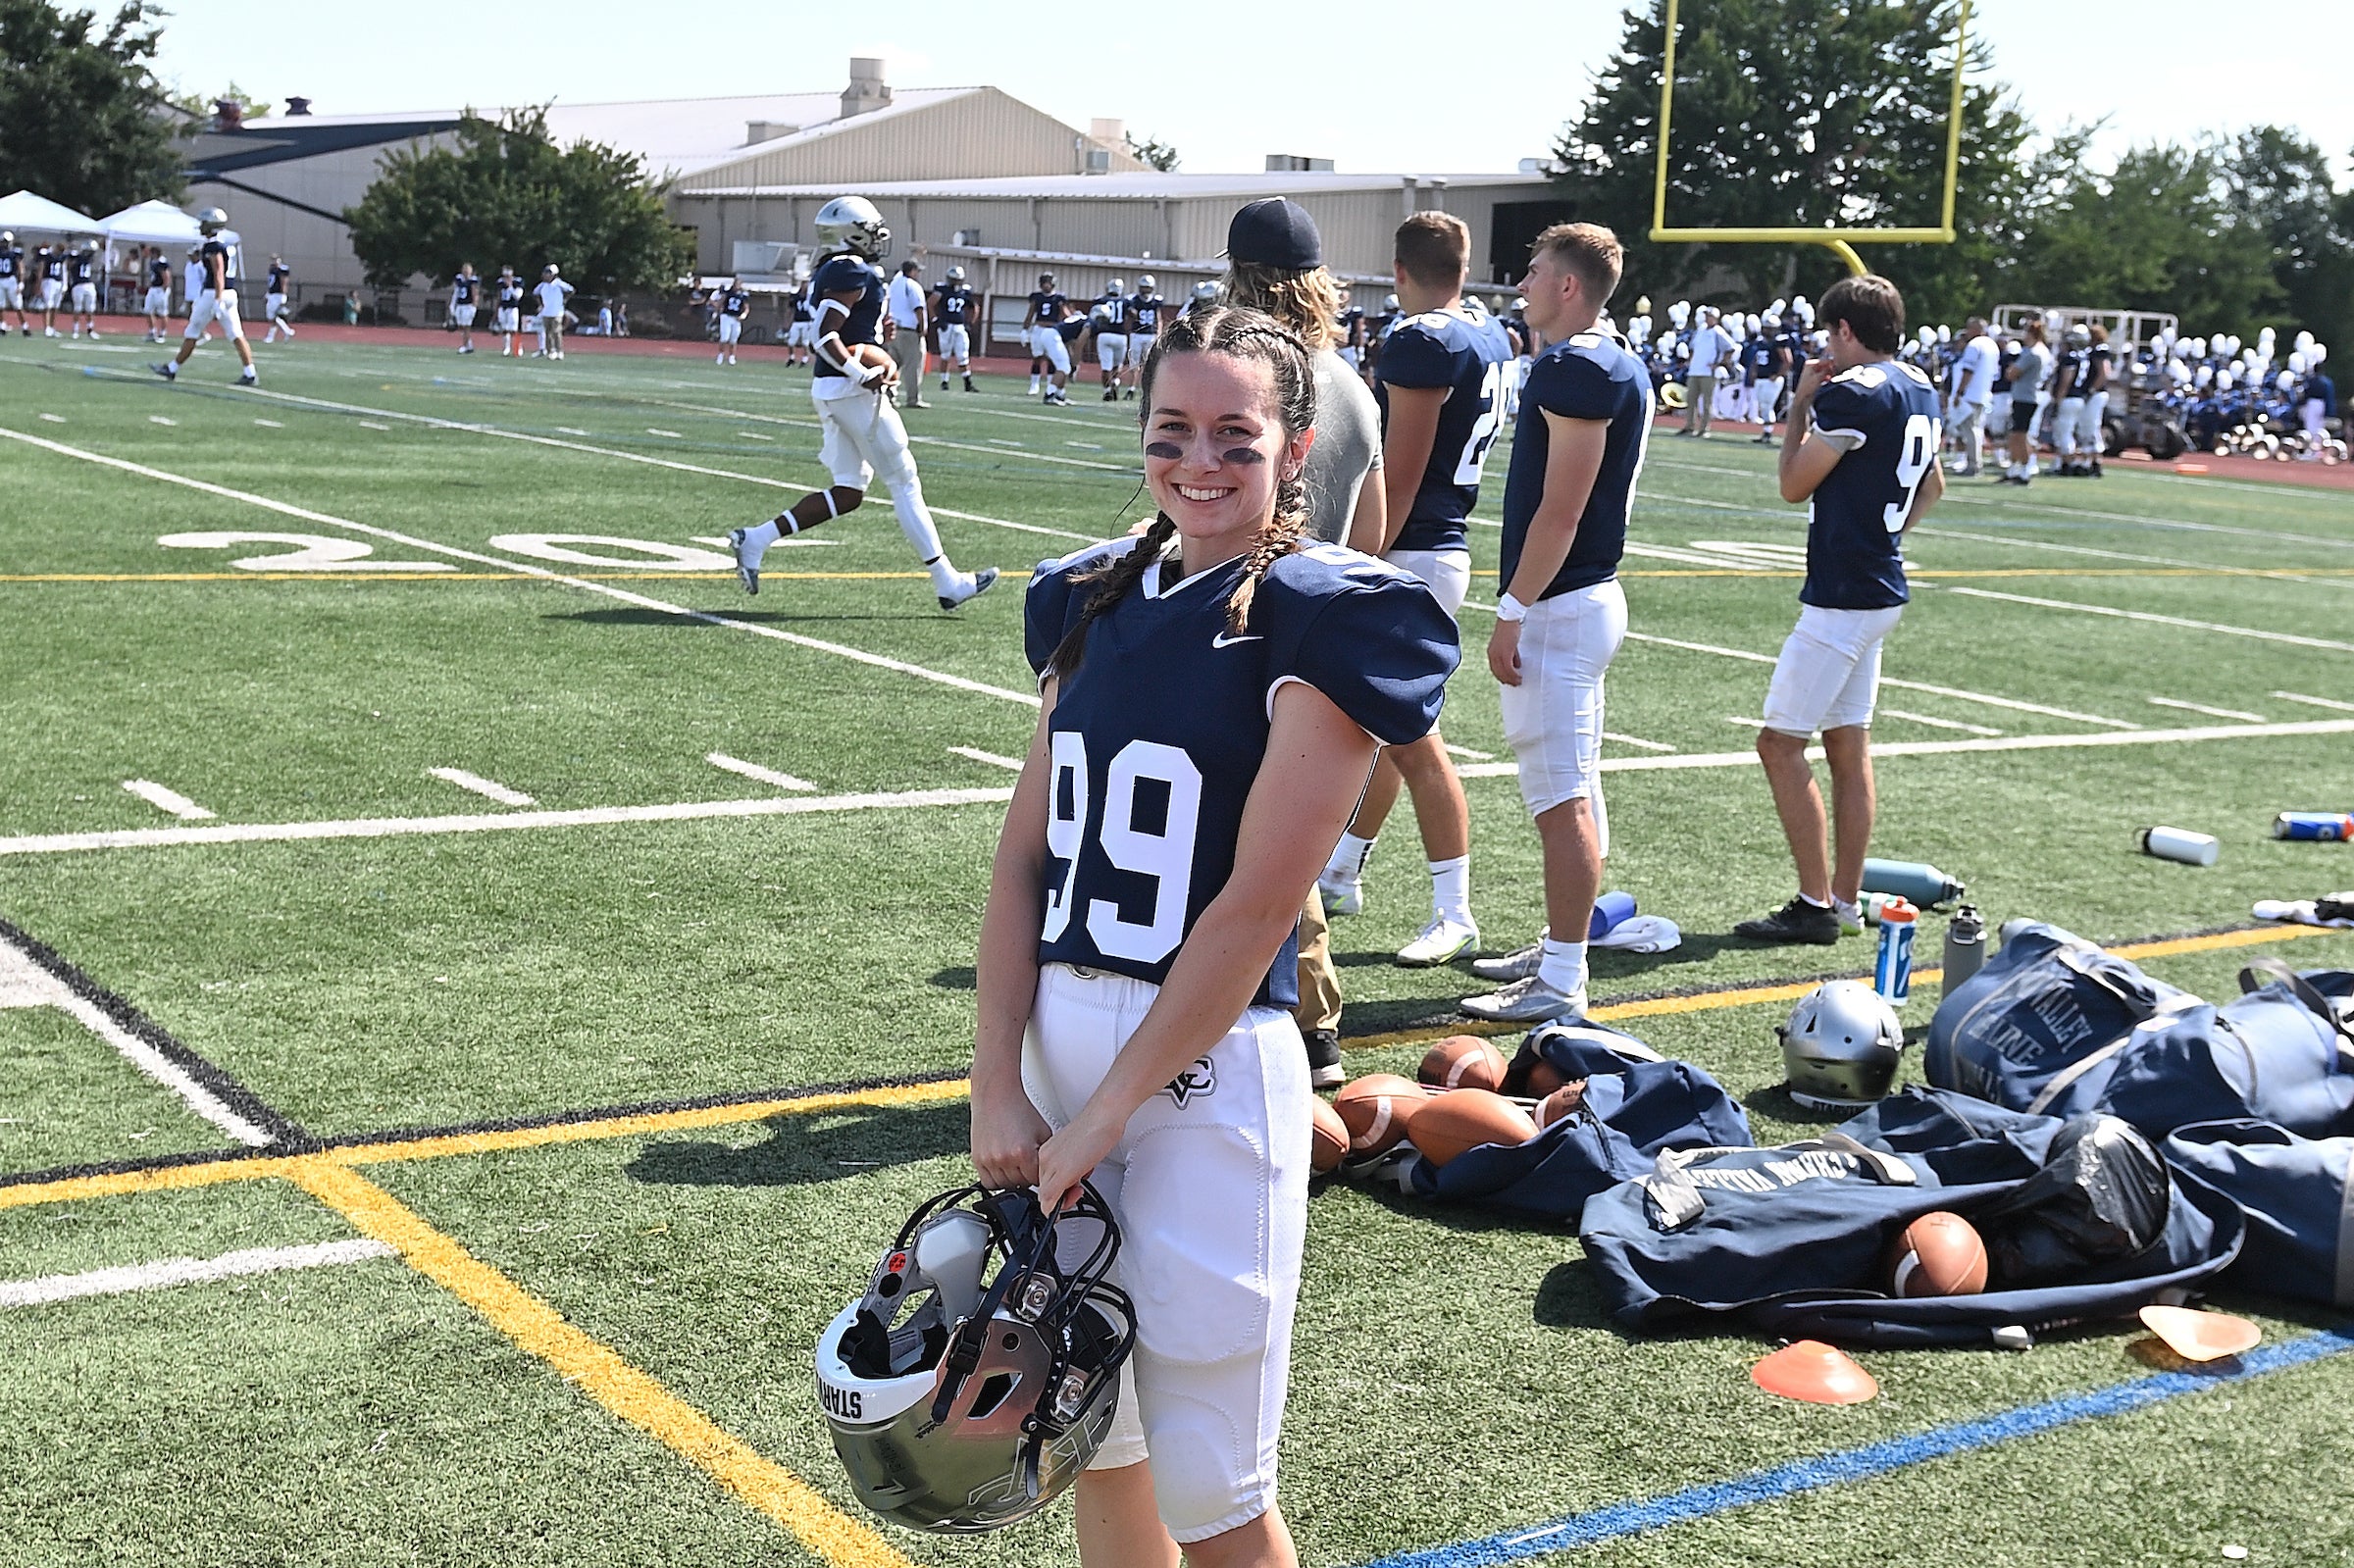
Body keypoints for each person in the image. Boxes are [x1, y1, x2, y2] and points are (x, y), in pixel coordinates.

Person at [973, 304, 1456, 1568]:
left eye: (1237, 436)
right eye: (1172, 431)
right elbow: (1023, 862)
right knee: (1094, 1439)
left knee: (1211, 1482)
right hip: (1064, 1051)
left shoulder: (1322, 615)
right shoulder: (1088, 597)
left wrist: (1102, 1115)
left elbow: (1252, 911)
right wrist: (995, 1085)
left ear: (1297, 449)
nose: (1201, 461)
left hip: (1205, 1072)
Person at [1218, 196, 1388, 1089]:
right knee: (1289, 832)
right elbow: (1375, 535)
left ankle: (1291, 1019)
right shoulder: (1354, 386)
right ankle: (1311, 1027)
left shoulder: (1242, 372)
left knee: (1239, 835)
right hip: (1323, 626)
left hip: (1240, 618)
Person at [1458, 225, 1647, 1023]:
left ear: (1569, 286)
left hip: (1563, 602)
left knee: (1560, 797)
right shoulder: (1606, 357)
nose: (1523, 284)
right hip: (1583, 597)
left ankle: (1563, 976)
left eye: (1535, 272)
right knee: (1577, 786)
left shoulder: (1578, 368)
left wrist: (1512, 609)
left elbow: (1561, 509)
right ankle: (1563, 945)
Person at [1316, 210, 1507, 970]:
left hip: (1413, 551)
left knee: (1414, 739)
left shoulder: (1423, 339)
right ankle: (1340, 871)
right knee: (1383, 731)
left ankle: (1455, 909)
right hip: (1439, 546)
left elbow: (1401, 468)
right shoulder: (1487, 331)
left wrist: (1357, 559)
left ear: (1400, 271)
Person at [1734, 274, 1943, 945]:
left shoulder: (1854, 393)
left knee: (1779, 744)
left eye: (1831, 332)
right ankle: (1846, 900)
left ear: (1846, 330)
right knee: (1848, 747)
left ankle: (1815, 903)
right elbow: (1932, 487)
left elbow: (1793, 484)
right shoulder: (1919, 385)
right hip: (1880, 587)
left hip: (1844, 597)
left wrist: (1800, 404)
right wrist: (1884, 535)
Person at [725, 195, 998, 612]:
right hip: (849, 390)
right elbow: (824, 335)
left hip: (833, 389)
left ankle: (755, 539)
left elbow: (848, 330)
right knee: (904, 480)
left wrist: (877, 336)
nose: (878, 237)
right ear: (851, 233)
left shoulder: (838, 268)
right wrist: (860, 371)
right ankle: (949, 582)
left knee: (850, 491)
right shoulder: (848, 268)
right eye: (871, 230)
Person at [150, 208, 256, 386]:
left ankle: (172, 368)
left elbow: (218, 273)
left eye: (204, 223)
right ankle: (250, 373)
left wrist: (217, 299)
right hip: (230, 293)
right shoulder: (226, 244)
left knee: (192, 331)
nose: (201, 226)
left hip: (214, 293)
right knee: (236, 334)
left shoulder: (212, 246)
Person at [1945, 317, 1998, 476]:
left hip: (1970, 393)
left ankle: (1973, 464)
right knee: (1976, 429)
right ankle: (1974, 462)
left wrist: (1959, 392)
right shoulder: (1992, 345)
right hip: (1984, 392)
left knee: (1970, 430)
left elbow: (1968, 371)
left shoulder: (1975, 345)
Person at [2000, 319, 2050, 484]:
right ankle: (2015, 469)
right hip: (2031, 395)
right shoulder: (2044, 351)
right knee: (2017, 435)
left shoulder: (2033, 353)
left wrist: (2011, 368)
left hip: (2025, 397)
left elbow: (2011, 374)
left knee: (2019, 436)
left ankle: (2024, 470)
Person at [1679, 306, 1732, 436]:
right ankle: (1689, 426)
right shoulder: (1700, 330)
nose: (1707, 318)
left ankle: (1704, 428)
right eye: (1706, 315)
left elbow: (1730, 347)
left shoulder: (1718, 332)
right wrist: (1691, 361)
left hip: (1708, 372)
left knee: (1707, 402)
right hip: (1695, 370)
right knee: (1691, 400)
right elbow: (1692, 347)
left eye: (1710, 316)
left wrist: (1718, 363)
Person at [884, 258, 929, 405]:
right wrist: (922, 327)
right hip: (909, 331)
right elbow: (918, 308)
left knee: (892, 364)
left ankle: (887, 395)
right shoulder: (912, 285)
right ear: (912, 271)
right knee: (912, 366)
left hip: (894, 328)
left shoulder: (894, 284)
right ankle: (913, 398)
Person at [1024, 271, 1071, 403]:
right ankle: (1034, 385)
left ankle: (1051, 386)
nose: (1046, 285)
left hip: (1052, 330)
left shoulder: (1059, 298)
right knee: (1037, 358)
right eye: (1044, 282)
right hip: (1039, 329)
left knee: (1052, 359)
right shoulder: (1036, 297)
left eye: (1048, 283)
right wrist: (1024, 329)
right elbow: (1030, 313)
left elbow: (1065, 314)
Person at [932, 264, 978, 392]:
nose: (955, 282)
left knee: (963, 355)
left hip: (960, 327)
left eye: (957, 280)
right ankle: (944, 382)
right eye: (953, 279)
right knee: (945, 355)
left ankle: (967, 383)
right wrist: (935, 319)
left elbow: (975, 307)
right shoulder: (942, 289)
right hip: (946, 326)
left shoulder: (965, 291)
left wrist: (970, 323)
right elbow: (930, 304)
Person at [1124, 274, 1165, 396]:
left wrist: (1159, 333)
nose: (1146, 290)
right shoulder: (1134, 300)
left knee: (1149, 364)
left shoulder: (1156, 301)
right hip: (1136, 334)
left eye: (1148, 287)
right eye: (1144, 287)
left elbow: (1159, 318)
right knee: (1134, 363)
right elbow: (1130, 314)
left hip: (1150, 334)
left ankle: (1147, 389)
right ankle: (1131, 387)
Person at [2297, 354, 2336, 460]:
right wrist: (2329, 412)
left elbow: (2305, 395)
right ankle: (2317, 451)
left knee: (2310, 428)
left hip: (2311, 404)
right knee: (2319, 428)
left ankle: (2310, 451)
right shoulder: (2327, 381)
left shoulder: (2311, 381)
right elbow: (2329, 398)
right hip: (2322, 404)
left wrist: (2300, 404)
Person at [535, 265, 574, 359]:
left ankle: (559, 351)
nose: (545, 275)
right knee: (548, 333)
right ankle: (551, 351)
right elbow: (535, 293)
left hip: (557, 312)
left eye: (548, 273)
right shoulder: (542, 285)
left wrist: (565, 300)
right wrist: (540, 304)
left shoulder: (558, 283)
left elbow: (571, 290)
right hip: (546, 312)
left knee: (556, 332)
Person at [66, 240, 101, 337]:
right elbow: (69, 264)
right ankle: (75, 330)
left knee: (90, 309)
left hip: (89, 284)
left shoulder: (89, 258)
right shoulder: (75, 257)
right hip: (78, 285)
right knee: (77, 308)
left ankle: (90, 329)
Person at [714, 275, 750, 365]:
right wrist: (716, 312)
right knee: (724, 337)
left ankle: (732, 357)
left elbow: (746, 308)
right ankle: (721, 355)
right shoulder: (728, 292)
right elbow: (720, 303)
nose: (737, 286)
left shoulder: (743, 295)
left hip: (736, 318)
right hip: (726, 316)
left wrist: (744, 315)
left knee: (734, 339)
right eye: (736, 284)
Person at [493, 266, 527, 356]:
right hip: (503, 308)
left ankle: (517, 347)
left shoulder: (517, 282)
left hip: (513, 308)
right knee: (504, 329)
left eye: (507, 276)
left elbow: (517, 296)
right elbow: (499, 296)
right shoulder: (500, 282)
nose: (506, 278)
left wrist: (510, 286)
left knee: (514, 329)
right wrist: (496, 310)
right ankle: (506, 348)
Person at [261, 256, 295, 342]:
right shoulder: (272, 269)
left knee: (272, 317)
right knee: (272, 317)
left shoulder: (282, 269)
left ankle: (271, 337)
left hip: (278, 295)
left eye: (275, 259)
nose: (274, 261)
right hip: (272, 295)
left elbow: (284, 282)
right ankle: (287, 331)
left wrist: (283, 295)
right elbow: (271, 283)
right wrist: (268, 293)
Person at [141, 246, 172, 341]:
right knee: (147, 310)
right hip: (153, 288)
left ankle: (162, 333)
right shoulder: (153, 261)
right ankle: (152, 331)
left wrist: (164, 288)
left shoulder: (162, 262)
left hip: (160, 289)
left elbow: (166, 276)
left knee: (162, 312)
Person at [785, 276, 816, 366]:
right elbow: (790, 309)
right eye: (804, 284)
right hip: (796, 322)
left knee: (805, 342)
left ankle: (805, 359)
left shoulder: (811, 298)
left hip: (807, 322)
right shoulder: (795, 297)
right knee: (791, 342)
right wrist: (787, 322)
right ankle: (792, 358)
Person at [449, 264, 481, 353]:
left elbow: (475, 294)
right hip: (460, 305)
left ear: (471, 271)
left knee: (466, 327)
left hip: (468, 306)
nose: (465, 272)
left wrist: (474, 306)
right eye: (464, 270)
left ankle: (465, 346)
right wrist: (452, 304)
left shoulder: (473, 281)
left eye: (467, 271)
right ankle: (469, 345)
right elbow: (456, 292)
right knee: (461, 326)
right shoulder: (459, 279)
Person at [37, 243, 67, 336]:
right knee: (48, 305)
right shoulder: (47, 256)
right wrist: (39, 284)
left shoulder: (62, 258)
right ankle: (47, 328)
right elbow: (41, 269)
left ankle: (52, 327)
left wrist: (64, 284)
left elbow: (64, 271)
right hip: (48, 281)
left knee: (55, 307)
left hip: (58, 282)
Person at [0, 231, 26, 335]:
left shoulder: (15, 253)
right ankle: (2, 325)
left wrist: (21, 283)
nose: (4, 244)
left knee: (17, 305)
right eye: (3, 241)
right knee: (0, 305)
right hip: (1, 279)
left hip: (11, 280)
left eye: (6, 241)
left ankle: (24, 326)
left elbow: (21, 268)